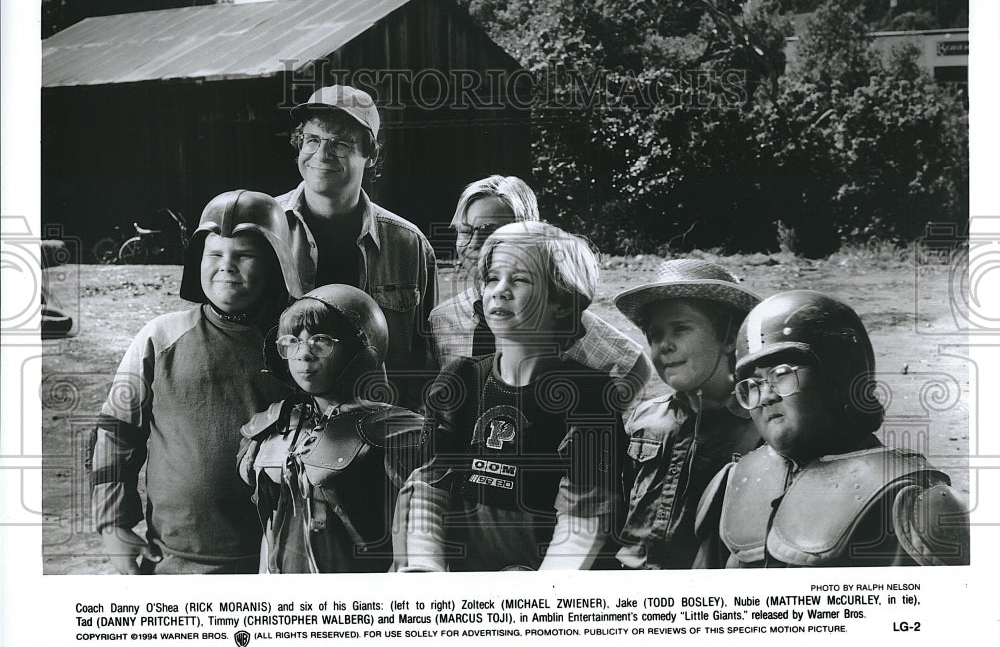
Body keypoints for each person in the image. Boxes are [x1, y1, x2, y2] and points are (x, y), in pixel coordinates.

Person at [394, 222, 628, 572]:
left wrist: (540, 597)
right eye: (492, 278)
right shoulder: (460, 379)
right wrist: (428, 572)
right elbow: (430, 491)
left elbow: (582, 519)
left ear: (562, 302)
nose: (499, 291)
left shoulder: (590, 395)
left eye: (519, 280)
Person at [92, 190, 302, 574]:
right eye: (215, 254)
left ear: (277, 263)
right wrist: (113, 523)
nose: (227, 266)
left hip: (280, 563)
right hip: (176, 560)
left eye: (245, 255)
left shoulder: (299, 346)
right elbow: (117, 433)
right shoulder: (159, 338)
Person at [694, 290, 970, 568]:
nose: (765, 396)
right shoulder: (734, 483)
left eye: (781, 375)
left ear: (838, 376)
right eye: (752, 386)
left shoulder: (909, 500)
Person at [238, 285, 427, 573]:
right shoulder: (274, 425)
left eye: (320, 342)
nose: (304, 355)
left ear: (356, 350)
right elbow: (273, 526)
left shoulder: (395, 434)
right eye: (291, 342)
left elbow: (414, 544)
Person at [277, 85, 437, 410]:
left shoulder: (409, 245)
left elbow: (424, 363)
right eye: (312, 140)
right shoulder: (266, 228)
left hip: (378, 430)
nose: (322, 155)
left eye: (340, 143)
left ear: (371, 154)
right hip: (282, 429)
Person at [429, 175, 651, 402]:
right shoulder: (442, 320)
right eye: (465, 231)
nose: (474, 243)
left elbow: (634, 364)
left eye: (489, 231)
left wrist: (597, 415)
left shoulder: (552, 315)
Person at [612, 258, 763, 569]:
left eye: (681, 329)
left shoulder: (760, 429)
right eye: (654, 335)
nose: (664, 345)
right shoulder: (643, 419)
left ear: (729, 339)